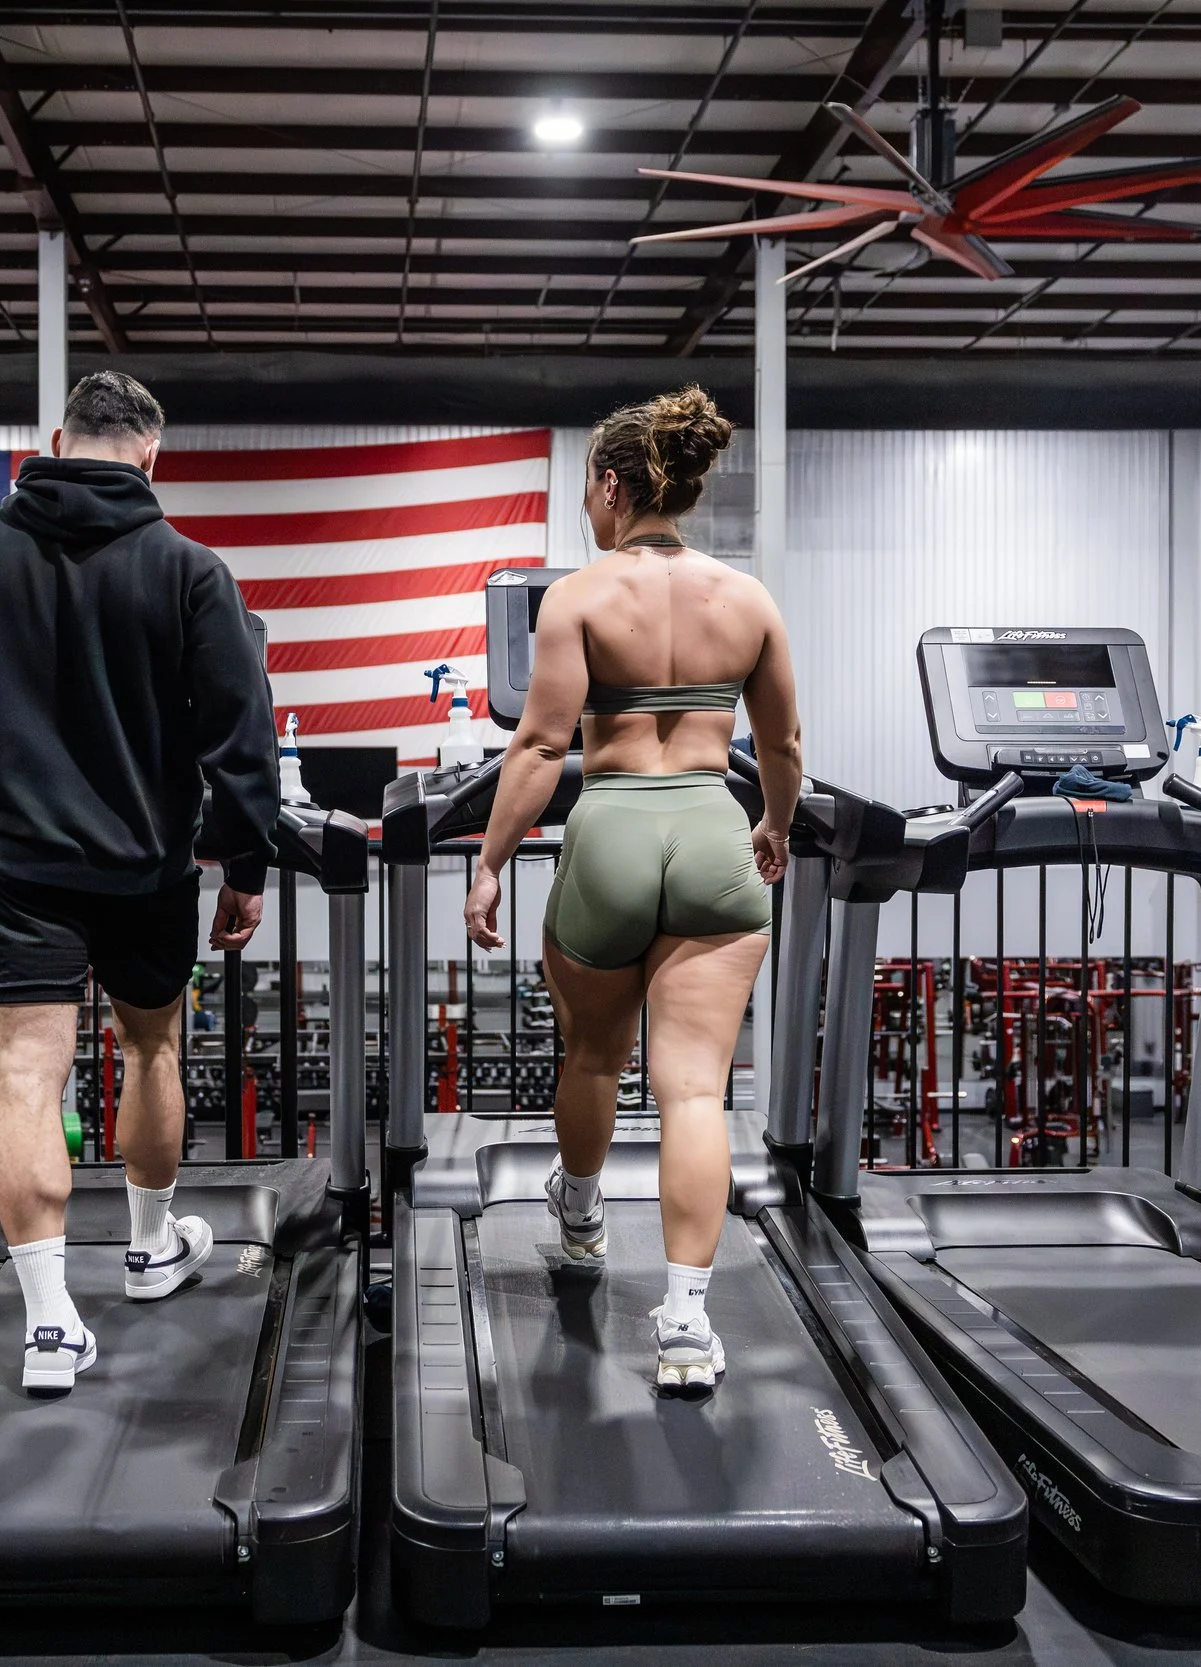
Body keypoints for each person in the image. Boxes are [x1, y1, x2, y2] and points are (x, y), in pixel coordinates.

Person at [0, 370, 277, 1395]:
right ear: (151, 453)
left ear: (57, 437)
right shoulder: (191, 569)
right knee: (151, 1044)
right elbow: (240, 735)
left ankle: (51, 1322)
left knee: (27, 1071)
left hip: (16, 862)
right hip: (146, 861)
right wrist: (244, 863)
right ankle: (151, 1247)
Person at [461, 386, 801, 1393]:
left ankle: (577, 1218)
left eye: (585, 492)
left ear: (612, 486)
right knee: (695, 1086)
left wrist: (487, 863)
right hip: (709, 825)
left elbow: (537, 744)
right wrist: (773, 822)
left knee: (594, 1055)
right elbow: (779, 743)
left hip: (609, 826)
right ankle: (688, 1323)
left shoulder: (579, 596)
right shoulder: (746, 600)